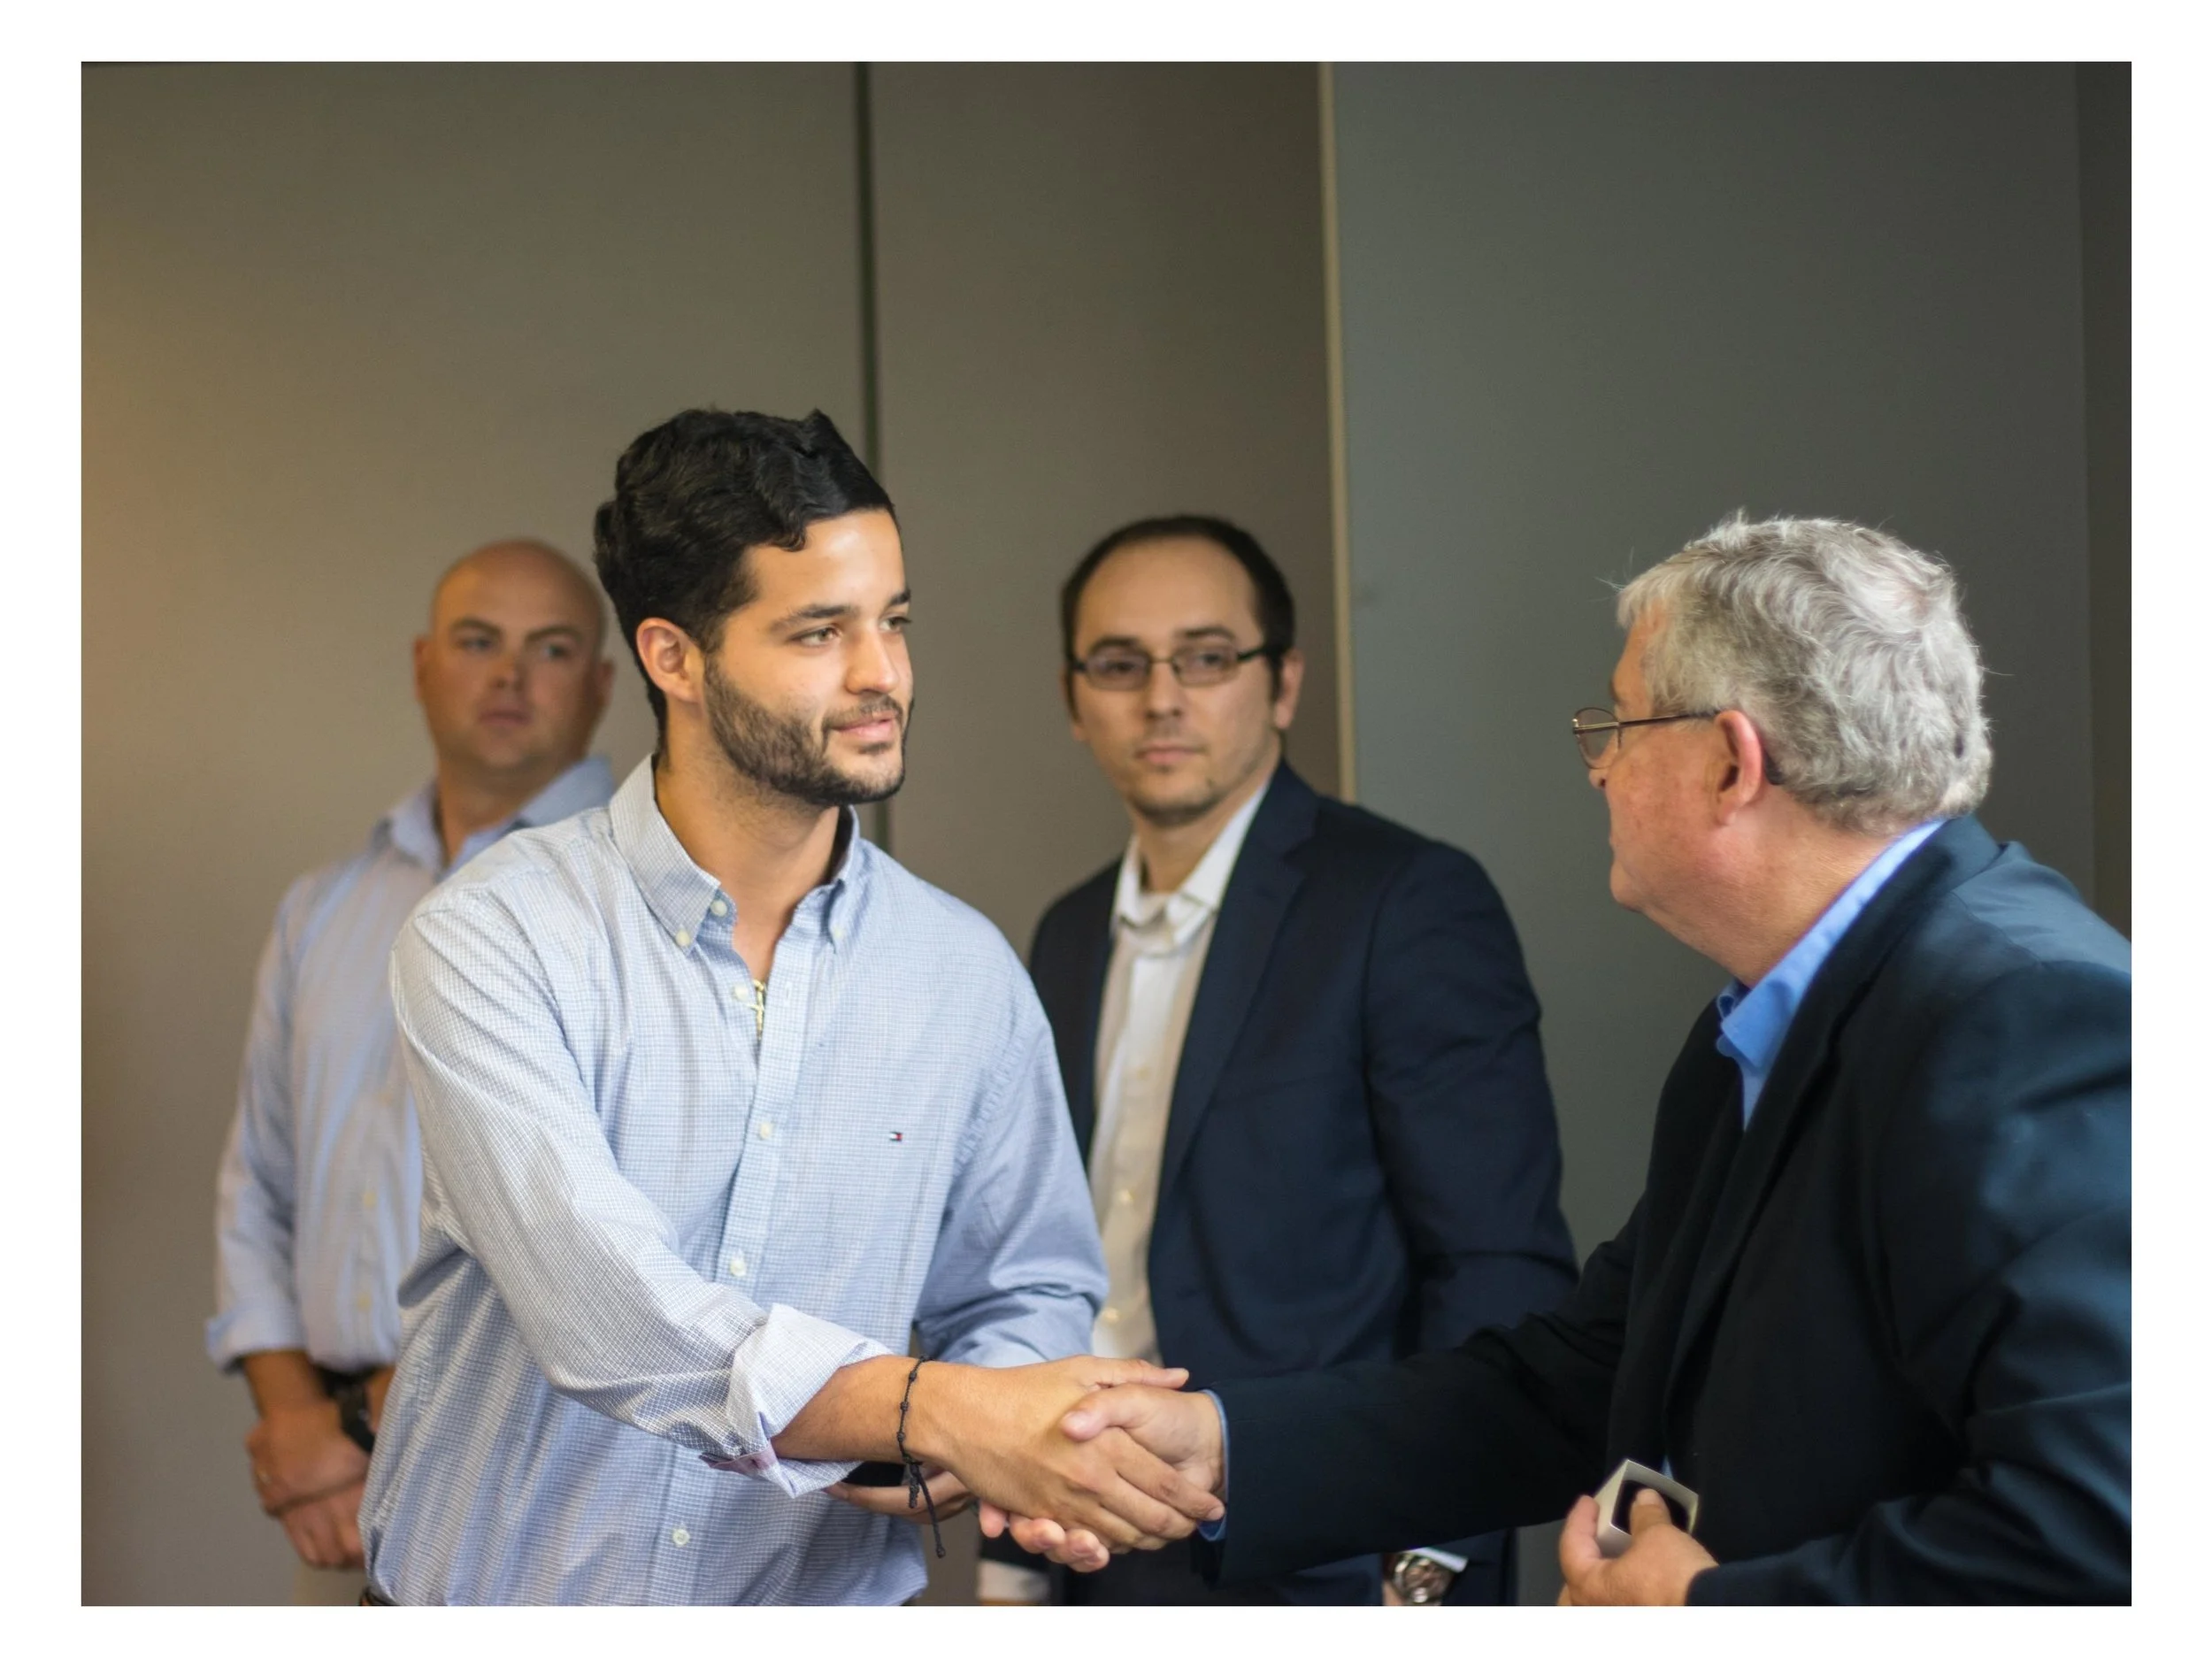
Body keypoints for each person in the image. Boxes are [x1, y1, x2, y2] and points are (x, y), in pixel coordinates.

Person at [995, 514, 2131, 1604]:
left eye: (1619, 727)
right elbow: (1573, 1382)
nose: (1596, 770)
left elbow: (2109, 1527)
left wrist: (1718, 1613)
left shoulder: (2026, 1014)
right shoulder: (1754, 1026)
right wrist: (1218, 1443)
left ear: (1730, 765)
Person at [357, 409, 1220, 1605]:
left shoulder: (964, 975)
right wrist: (944, 1411)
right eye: (820, 631)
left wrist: (981, 1441)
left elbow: (1029, 1287)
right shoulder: (493, 939)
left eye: (895, 621)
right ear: (673, 658)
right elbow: (614, 1318)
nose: (884, 675)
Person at [978, 516, 1577, 1608]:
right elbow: (1049, 1268)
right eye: (1119, 664)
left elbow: (1494, 1266)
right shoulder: (1064, 936)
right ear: (1074, 701)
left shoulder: (1404, 902)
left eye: (1206, 658)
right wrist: (1014, 1564)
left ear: (1284, 682)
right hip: (1101, 1555)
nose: (1161, 697)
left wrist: (1431, 1566)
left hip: (1339, 1561)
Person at [209, 539, 619, 1602]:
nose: (508, 676)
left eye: (551, 648)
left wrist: (349, 1429)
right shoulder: (324, 906)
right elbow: (259, 1184)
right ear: (422, 663)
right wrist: (299, 1422)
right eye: (478, 642)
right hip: (334, 1483)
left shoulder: (640, 902)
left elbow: (608, 1239)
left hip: (554, 1462)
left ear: (606, 684)